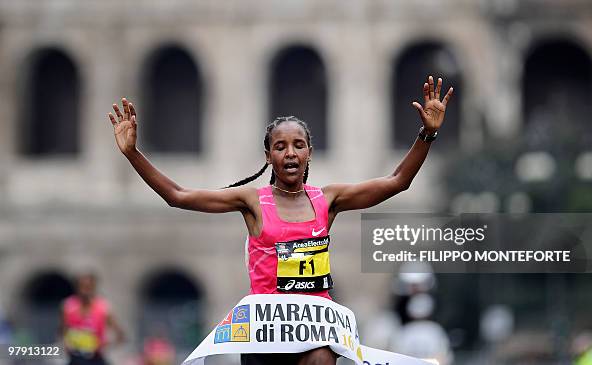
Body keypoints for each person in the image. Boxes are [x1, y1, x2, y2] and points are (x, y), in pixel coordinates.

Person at [108, 75, 453, 365]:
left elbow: (397, 182)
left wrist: (427, 134)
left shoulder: (328, 200)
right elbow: (177, 196)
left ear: (309, 153)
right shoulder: (252, 202)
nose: (290, 153)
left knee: (320, 357)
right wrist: (133, 154)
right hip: (265, 333)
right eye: (281, 146)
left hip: (315, 328)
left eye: (298, 145)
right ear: (268, 156)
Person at [61, 272, 126, 365]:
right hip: (75, 358)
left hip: (96, 358)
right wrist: (66, 343)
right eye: (82, 287)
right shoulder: (68, 306)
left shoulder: (103, 308)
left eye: (88, 287)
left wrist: (104, 344)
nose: (85, 291)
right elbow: (63, 331)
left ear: (94, 288)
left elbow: (120, 335)